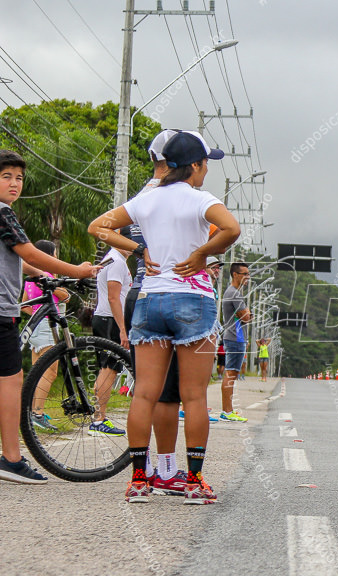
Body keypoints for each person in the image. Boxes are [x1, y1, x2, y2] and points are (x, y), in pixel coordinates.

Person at [87, 130, 240, 503]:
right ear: (194, 166)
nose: (206, 172)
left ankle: (140, 480)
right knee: (193, 397)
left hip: (151, 300)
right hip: (193, 300)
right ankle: (194, 481)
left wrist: (138, 250)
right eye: (205, 165)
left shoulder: (146, 200)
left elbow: (98, 226)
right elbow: (232, 229)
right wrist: (203, 254)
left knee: (145, 393)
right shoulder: (201, 199)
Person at [0, 150, 101, 484]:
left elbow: (20, 261)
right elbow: (28, 251)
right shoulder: (3, 213)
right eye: (6, 176)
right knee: (11, 382)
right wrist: (77, 270)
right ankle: (11, 460)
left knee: (10, 381)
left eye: (19, 178)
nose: (15, 183)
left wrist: (40, 276)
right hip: (1, 309)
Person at [20, 239, 70, 434]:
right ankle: (37, 414)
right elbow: (65, 297)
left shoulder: (31, 278)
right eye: (55, 253)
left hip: (36, 325)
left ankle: (31, 412)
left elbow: (25, 305)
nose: (57, 256)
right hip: (48, 326)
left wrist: (35, 314)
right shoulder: (46, 276)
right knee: (49, 372)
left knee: (36, 371)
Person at [89, 241, 133, 436]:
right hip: (110, 320)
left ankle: (99, 417)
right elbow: (113, 297)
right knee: (110, 368)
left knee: (107, 369)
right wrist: (123, 328)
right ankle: (99, 420)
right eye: (129, 243)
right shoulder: (117, 261)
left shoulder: (112, 258)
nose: (132, 247)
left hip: (106, 319)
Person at [220, 262, 251, 421]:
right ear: (235, 274)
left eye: (248, 274)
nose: (247, 277)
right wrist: (248, 313)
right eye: (244, 274)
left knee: (231, 373)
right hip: (235, 337)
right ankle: (227, 411)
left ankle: (228, 410)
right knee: (231, 373)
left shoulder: (233, 292)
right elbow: (246, 317)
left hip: (234, 337)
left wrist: (246, 313)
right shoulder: (235, 293)